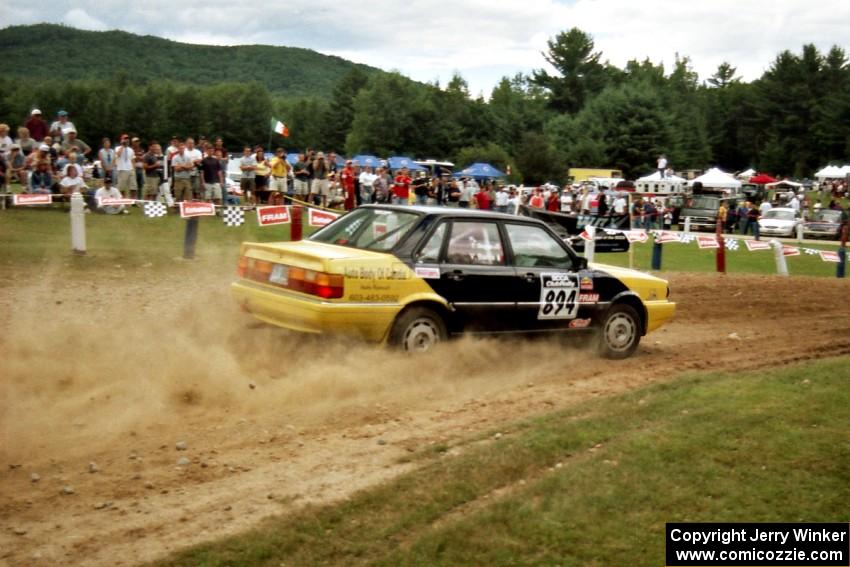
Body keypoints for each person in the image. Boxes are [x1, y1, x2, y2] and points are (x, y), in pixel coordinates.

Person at [115, 134, 138, 199]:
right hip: (122, 169)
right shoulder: (117, 148)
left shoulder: (131, 150)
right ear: (121, 140)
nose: (126, 140)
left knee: (133, 187)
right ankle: (123, 200)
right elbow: (118, 154)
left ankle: (133, 201)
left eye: (127, 139)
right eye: (125, 139)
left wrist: (134, 169)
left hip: (130, 169)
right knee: (121, 187)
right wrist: (122, 145)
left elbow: (132, 160)